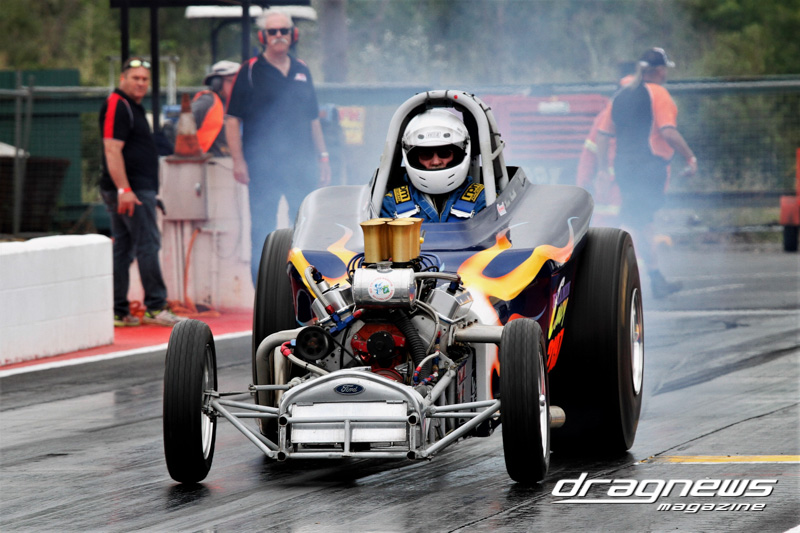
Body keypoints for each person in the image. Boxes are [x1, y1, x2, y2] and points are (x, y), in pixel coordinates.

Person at [225, 11, 331, 283]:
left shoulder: (302, 69)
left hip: (301, 163)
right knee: (263, 227)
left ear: (293, 35)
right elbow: (232, 119)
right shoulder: (249, 71)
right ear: (263, 37)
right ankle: (263, 288)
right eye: (273, 31)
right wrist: (238, 161)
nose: (279, 35)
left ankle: (305, 285)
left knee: (305, 225)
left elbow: (313, 119)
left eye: (284, 30)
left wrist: (323, 156)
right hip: (262, 165)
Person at [596, 47, 698, 298]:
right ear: (660, 71)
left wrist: (603, 170)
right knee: (636, 221)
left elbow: (603, 134)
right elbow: (668, 131)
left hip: (624, 167)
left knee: (642, 222)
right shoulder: (658, 94)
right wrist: (690, 157)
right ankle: (604, 274)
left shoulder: (621, 94)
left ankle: (654, 278)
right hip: (648, 168)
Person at [99, 57, 185, 327]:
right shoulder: (117, 104)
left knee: (124, 248)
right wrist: (124, 189)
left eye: (145, 79)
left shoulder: (132, 106)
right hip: (131, 190)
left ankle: (119, 310)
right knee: (147, 244)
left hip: (133, 189)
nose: (140, 83)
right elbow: (111, 149)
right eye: (135, 78)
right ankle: (156, 306)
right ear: (122, 78)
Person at [381, 109, 485, 222]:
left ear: (458, 155)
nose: (436, 162)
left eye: (444, 154)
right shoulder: (392, 203)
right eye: (426, 155)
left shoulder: (483, 198)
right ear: (414, 158)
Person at [193, 60, 240, 157]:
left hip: (226, 162)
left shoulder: (232, 105)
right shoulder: (207, 102)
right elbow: (181, 129)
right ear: (217, 83)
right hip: (207, 162)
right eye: (232, 82)